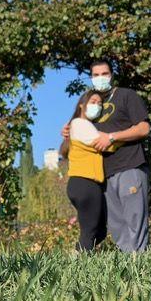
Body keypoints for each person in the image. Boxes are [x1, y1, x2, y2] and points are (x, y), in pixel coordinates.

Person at [62, 59, 151, 252]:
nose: (100, 78)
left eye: (104, 74)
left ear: (111, 75)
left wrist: (112, 137)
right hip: (104, 176)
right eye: (96, 75)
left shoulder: (126, 96)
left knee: (135, 220)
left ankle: (141, 261)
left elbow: (144, 128)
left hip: (130, 165)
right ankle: (129, 263)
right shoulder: (91, 107)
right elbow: (79, 138)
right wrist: (69, 132)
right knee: (117, 226)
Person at [59, 90, 113, 251]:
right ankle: (79, 261)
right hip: (85, 182)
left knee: (100, 231)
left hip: (87, 184)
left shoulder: (81, 126)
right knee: (90, 230)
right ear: (82, 105)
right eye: (93, 102)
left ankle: (78, 254)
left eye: (100, 103)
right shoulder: (80, 123)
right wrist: (123, 137)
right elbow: (103, 144)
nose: (97, 106)